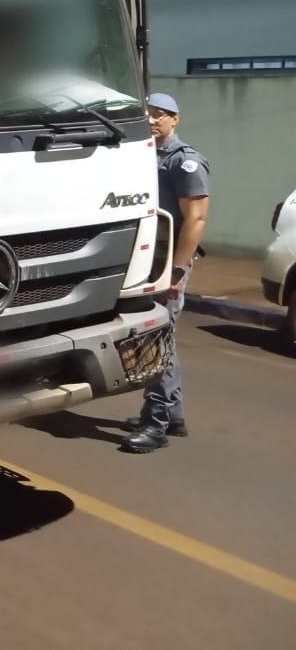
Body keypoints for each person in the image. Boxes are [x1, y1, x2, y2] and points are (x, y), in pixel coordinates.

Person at [122, 92, 210, 453]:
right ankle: (173, 416)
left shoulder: (185, 162)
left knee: (155, 340)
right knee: (162, 337)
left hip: (166, 265)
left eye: (160, 114)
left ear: (176, 119)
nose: (152, 119)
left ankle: (154, 424)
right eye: (147, 114)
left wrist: (176, 271)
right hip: (145, 262)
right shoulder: (141, 156)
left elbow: (197, 219)